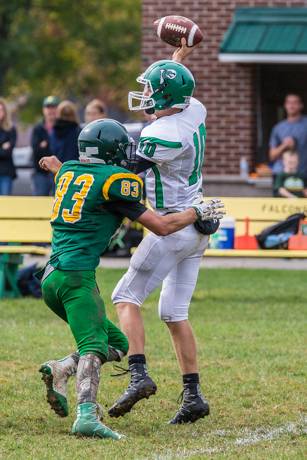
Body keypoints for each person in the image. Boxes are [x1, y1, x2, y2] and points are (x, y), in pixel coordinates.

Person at [38, 118, 225, 439]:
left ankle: (62, 369)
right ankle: (86, 415)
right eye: (122, 149)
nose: (127, 155)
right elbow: (162, 227)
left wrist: (57, 167)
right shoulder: (115, 182)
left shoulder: (68, 171)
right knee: (95, 346)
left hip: (51, 278)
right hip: (75, 279)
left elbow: (75, 176)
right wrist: (197, 212)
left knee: (119, 343)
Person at [106, 43, 217, 424]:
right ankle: (193, 396)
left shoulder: (163, 134)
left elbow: (126, 171)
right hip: (198, 222)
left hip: (172, 224)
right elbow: (174, 98)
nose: (147, 96)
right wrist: (175, 62)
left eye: (152, 91)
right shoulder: (193, 109)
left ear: (166, 98)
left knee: (125, 296)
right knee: (173, 312)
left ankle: (138, 375)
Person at [269, 94, 307, 177]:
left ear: (301, 106)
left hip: (303, 175)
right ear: (285, 105)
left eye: (295, 103)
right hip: (281, 175)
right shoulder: (278, 128)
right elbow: (272, 156)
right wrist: (284, 145)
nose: (291, 105)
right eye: (289, 103)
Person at [31, 95, 60, 196]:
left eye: (54, 107)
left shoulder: (63, 128)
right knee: (39, 201)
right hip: (41, 173)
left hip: (59, 172)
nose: (51, 110)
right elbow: (36, 150)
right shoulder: (38, 128)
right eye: (48, 107)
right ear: (44, 110)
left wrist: (45, 144)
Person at [0, 98, 17, 195]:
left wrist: (4, 149)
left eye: (1, 109)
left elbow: (8, 152)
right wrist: (2, 147)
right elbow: (4, 150)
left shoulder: (10, 129)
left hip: (6, 173)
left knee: (5, 203)